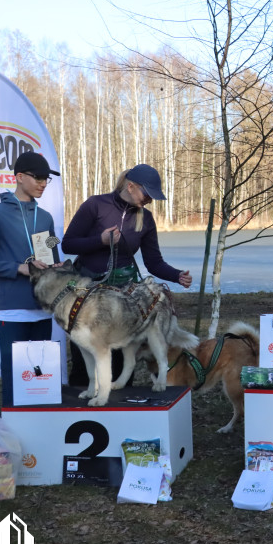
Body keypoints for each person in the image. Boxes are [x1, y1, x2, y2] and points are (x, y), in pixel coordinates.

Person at [62, 164, 192, 385]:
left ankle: (121, 406)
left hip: (123, 298)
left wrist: (177, 275)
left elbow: (154, 262)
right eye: (147, 194)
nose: (150, 200)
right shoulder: (95, 205)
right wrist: (99, 240)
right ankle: (82, 407)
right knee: (85, 355)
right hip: (88, 296)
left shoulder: (146, 219)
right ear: (131, 186)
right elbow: (68, 244)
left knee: (122, 357)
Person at [0, 151, 61, 406]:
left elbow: (49, 251)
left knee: (42, 380)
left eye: (47, 179)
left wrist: (57, 266)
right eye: (39, 177)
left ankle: (41, 432)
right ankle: (13, 435)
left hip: (43, 310)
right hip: (12, 313)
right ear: (19, 177)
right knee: (15, 379)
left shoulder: (44, 217)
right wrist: (18, 268)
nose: (43, 183)